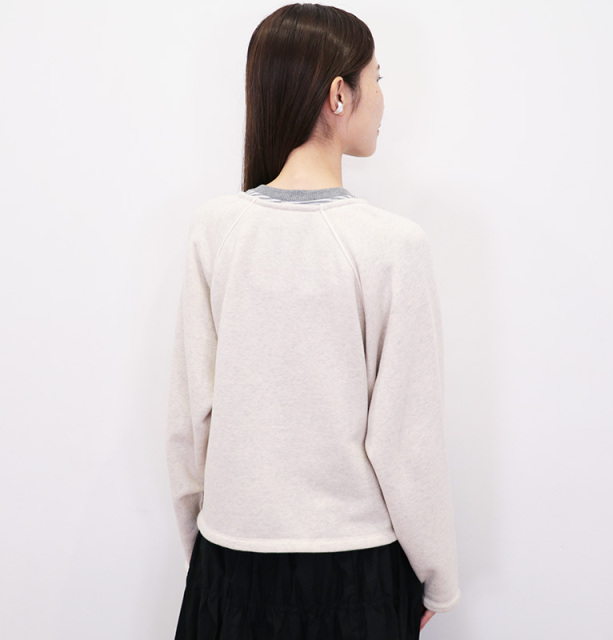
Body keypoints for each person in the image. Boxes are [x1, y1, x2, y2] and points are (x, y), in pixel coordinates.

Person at [165, 3, 461, 638]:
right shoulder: (392, 245)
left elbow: (191, 419)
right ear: (338, 94)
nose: (383, 98)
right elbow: (405, 441)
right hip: (355, 573)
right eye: (377, 78)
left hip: (230, 563)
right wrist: (438, 575)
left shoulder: (216, 231)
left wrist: (210, 550)